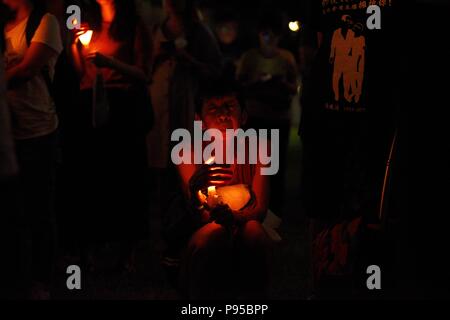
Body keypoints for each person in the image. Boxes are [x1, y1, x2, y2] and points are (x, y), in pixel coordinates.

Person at [166, 79, 271, 299]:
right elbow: (199, 216)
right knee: (215, 231)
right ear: (199, 120)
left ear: (243, 116)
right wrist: (195, 190)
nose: (223, 115)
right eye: (213, 109)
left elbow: (260, 210)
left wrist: (233, 216)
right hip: (202, 232)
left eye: (229, 107)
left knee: (254, 230)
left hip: (243, 227)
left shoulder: (260, 150)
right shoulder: (187, 153)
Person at [69, 0, 153, 272]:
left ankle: (127, 250)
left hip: (123, 106)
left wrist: (111, 62)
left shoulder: (134, 26)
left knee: (126, 178)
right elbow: (82, 73)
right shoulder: (89, 24)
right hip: (92, 104)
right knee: (94, 178)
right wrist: (75, 46)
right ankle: (92, 246)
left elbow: (144, 74)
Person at [1, 0, 63, 299]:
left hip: (38, 130)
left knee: (39, 209)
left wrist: (13, 69)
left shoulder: (45, 22)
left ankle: (41, 278)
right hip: (6, 132)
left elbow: (26, 70)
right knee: (12, 211)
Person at [145, 0, 222, 217]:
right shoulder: (156, 30)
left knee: (185, 162)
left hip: (186, 104)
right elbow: (144, 67)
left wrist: (188, 60)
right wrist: (159, 56)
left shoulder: (199, 33)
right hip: (159, 105)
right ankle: (163, 218)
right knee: (159, 162)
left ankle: (189, 214)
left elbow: (216, 70)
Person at [237, 11, 298, 222]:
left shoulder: (286, 58)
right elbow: (239, 85)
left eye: (274, 34)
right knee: (254, 163)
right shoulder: (250, 58)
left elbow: (294, 87)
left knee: (276, 165)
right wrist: (255, 83)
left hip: (278, 118)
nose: (269, 38)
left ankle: (275, 210)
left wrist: (282, 84)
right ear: (258, 34)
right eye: (265, 33)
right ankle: (252, 204)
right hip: (256, 116)